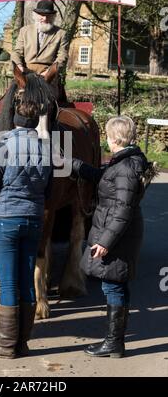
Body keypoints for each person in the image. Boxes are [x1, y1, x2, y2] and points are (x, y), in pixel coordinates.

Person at [0, 100, 53, 359]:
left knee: (8, 284)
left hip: (6, 221)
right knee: (27, 281)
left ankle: (5, 344)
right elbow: (48, 192)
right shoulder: (47, 151)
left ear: (15, 121)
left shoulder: (3, 147)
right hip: (34, 221)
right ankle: (22, 343)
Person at [72, 116, 155, 358]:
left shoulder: (126, 167)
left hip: (118, 236)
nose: (106, 140)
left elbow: (122, 211)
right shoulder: (124, 162)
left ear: (115, 138)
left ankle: (113, 343)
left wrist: (105, 243)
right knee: (115, 285)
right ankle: (114, 342)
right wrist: (75, 165)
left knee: (114, 286)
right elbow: (104, 177)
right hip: (119, 233)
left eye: (107, 136)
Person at [11, 0, 68, 103]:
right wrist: (19, 66)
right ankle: (8, 119)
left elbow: (62, 57)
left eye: (48, 15)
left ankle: (45, 118)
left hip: (48, 74)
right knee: (12, 98)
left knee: (45, 101)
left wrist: (49, 72)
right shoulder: (24, 31)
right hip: (26, 72)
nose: (45, 18)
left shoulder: (61, 34)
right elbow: (16, 52)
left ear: (53, 16)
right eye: (42, 15)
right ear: (35, 15)